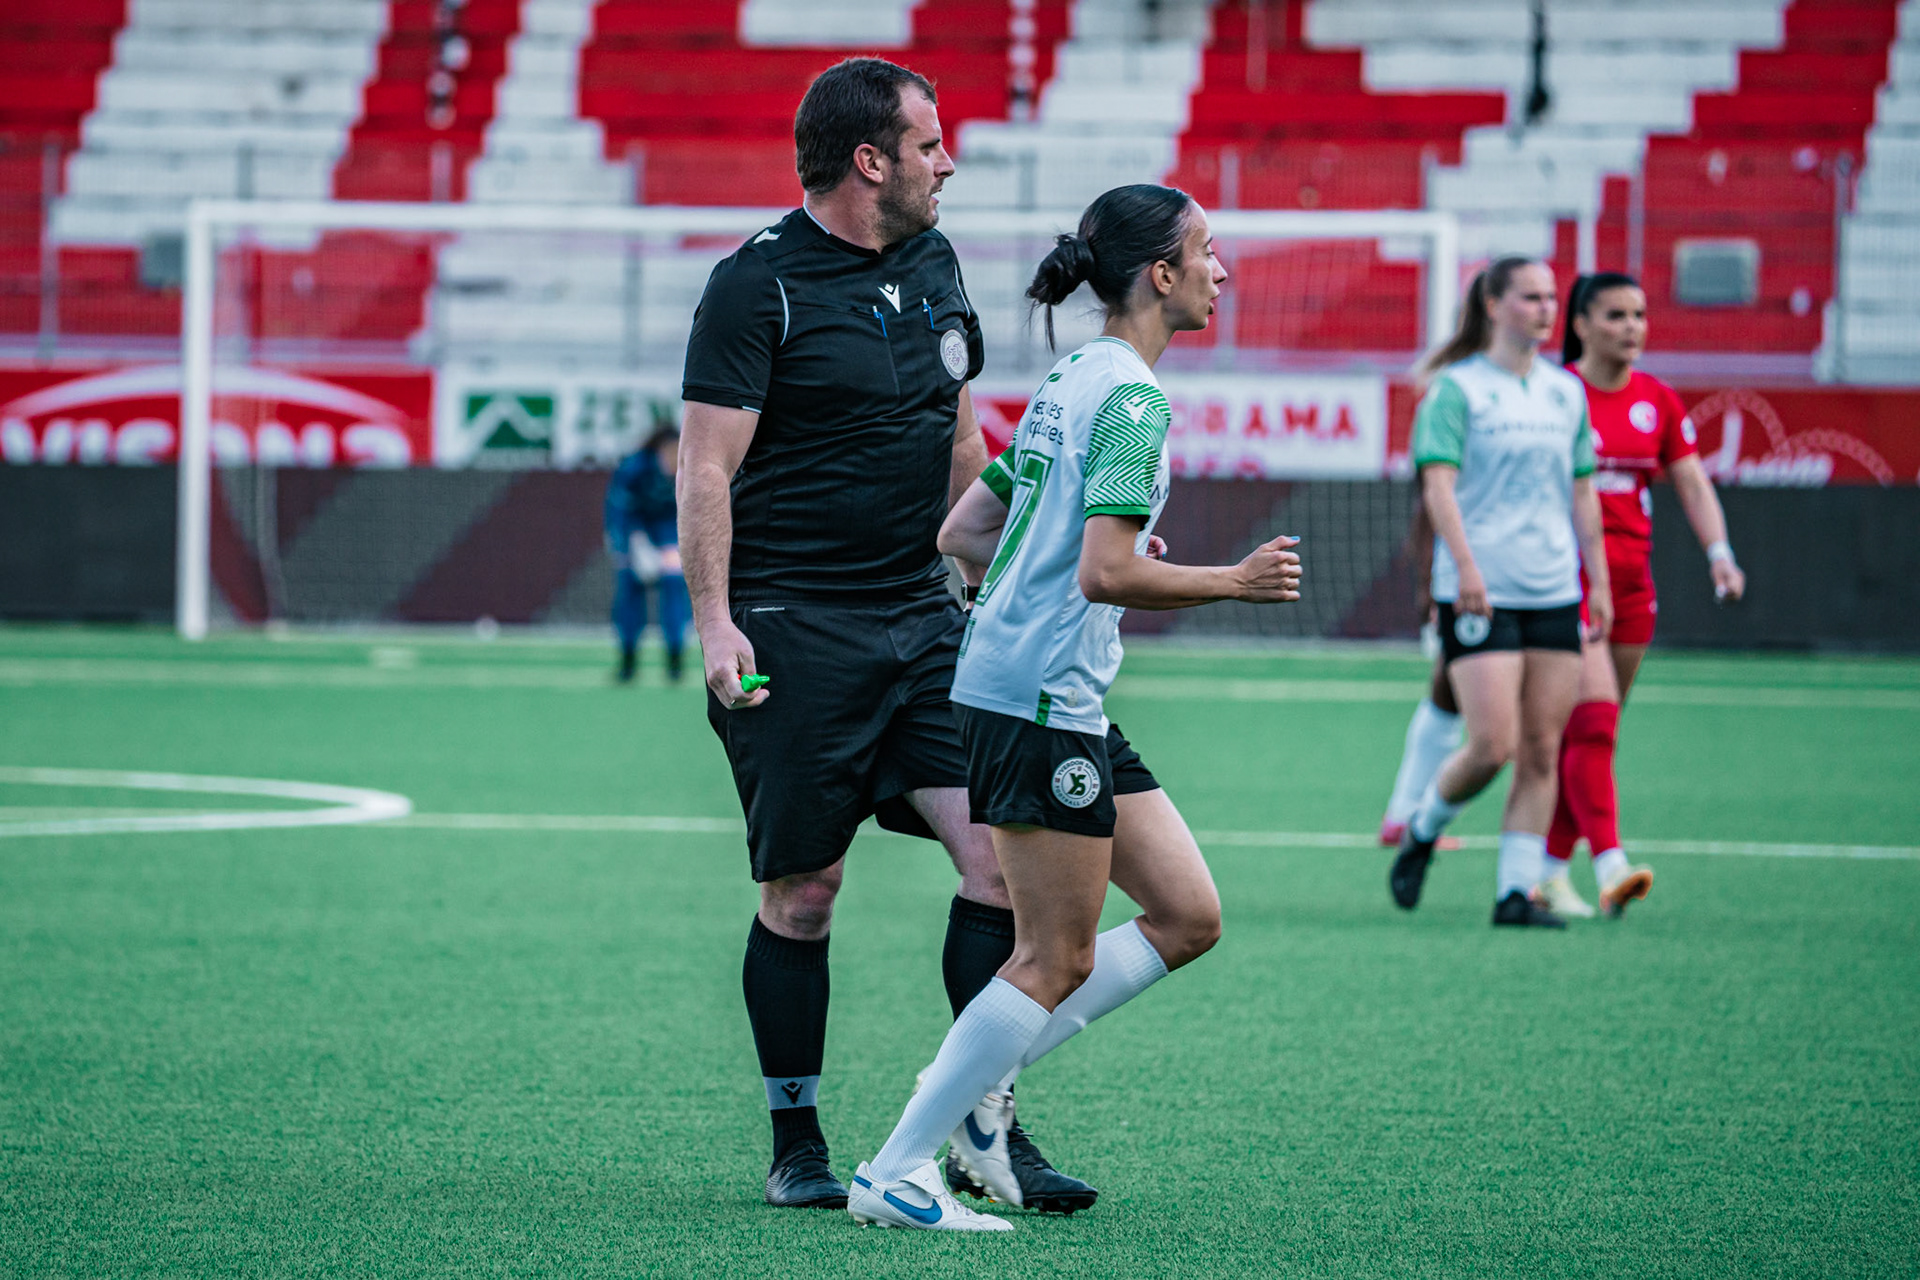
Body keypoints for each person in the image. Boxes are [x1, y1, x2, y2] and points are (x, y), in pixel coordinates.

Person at [676, 57, 1092, 1213]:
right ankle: (796, 1141)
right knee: (806, 890)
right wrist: (715, 622)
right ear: (870, 161)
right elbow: (705, 464)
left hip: (923, 617)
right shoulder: (755, 286)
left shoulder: (935, 258)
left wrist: (1000, 579)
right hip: (791, 625)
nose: (947, 161)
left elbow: (960, 438)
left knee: (1001, 861)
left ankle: (982, 1131)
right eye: (929, 143)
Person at [846, 184, 1304, 1232]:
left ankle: (976, 1093)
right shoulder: (1134, 400)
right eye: (1207, 250)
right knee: (1058, 956)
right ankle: (898, 1167)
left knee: (1187, 914)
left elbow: (966, 531)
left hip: (1045, 690)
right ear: (1161, 273)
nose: (1222, 270)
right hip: (1040, 700)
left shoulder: (1074, 376)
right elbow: (1105, 571)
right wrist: (1234, 581)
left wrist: (1020, 597)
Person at [1386, 255, 1611, 929]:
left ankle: (1516, 894)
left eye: (1551, 298)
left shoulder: (1565, 392)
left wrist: (1596, 581)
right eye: (1530, 297)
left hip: (1553, 589)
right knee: (1492, 746)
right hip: (1479, 591)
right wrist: (1465, 569)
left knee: (1543, 749)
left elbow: (1583, 493)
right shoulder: (1457, 390)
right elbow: (1438, 488)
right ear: (1493, 305)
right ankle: (1422, 829)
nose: (1545, 309)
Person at [1531, 272, 1747, 918]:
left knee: (1591, 736)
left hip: (1632, 586)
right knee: (1594, 723)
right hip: (1568, 582)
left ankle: (1546, 874)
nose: (1632, 328)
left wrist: (1720, 555)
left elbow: (1693, 484)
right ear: (1581, 324)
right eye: (1616, 315)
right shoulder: (1554, 394)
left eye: (1640, 315)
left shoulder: (1658, 400)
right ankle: (1612, 865)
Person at [604, 427, 689, 684]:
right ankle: (628, 660)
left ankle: (675, 661)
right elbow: (619, 509)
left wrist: (678, 545)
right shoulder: (634, 469)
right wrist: (626, 544)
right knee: (629, 595)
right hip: (637, 536)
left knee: (674, 590)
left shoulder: (688, 468)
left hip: (669, 536)